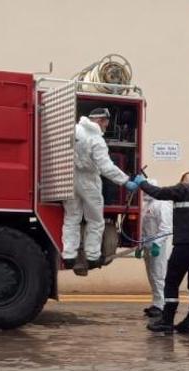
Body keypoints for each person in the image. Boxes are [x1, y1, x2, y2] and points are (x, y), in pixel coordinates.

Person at [134, 172, 189, 333]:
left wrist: (142, 183)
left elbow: (158, 193)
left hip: (184, 246)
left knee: (171, 282)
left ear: (185, 182)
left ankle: (167, 320)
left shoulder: (184, 190)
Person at [62, 108, 139, 270]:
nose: (106, 126)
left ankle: (69, 256)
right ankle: (92, 256)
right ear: (99, 120)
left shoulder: (74, 130)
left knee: (71, 218)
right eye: (106, 122)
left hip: (68, 178)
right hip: (89, 180)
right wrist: (125, 181)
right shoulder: (96, 140)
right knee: (95, 220)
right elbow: (106, 167)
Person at [138, 178, 173, 318]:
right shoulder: (147, 205)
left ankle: (162, 305)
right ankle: (156, 303)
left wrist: (157, 244)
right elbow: (143, 228)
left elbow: (166, 228)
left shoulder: (162, 204)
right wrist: (139, 245)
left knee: (159, 276)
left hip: (159, 246)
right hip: (148, 246)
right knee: (152, 276)